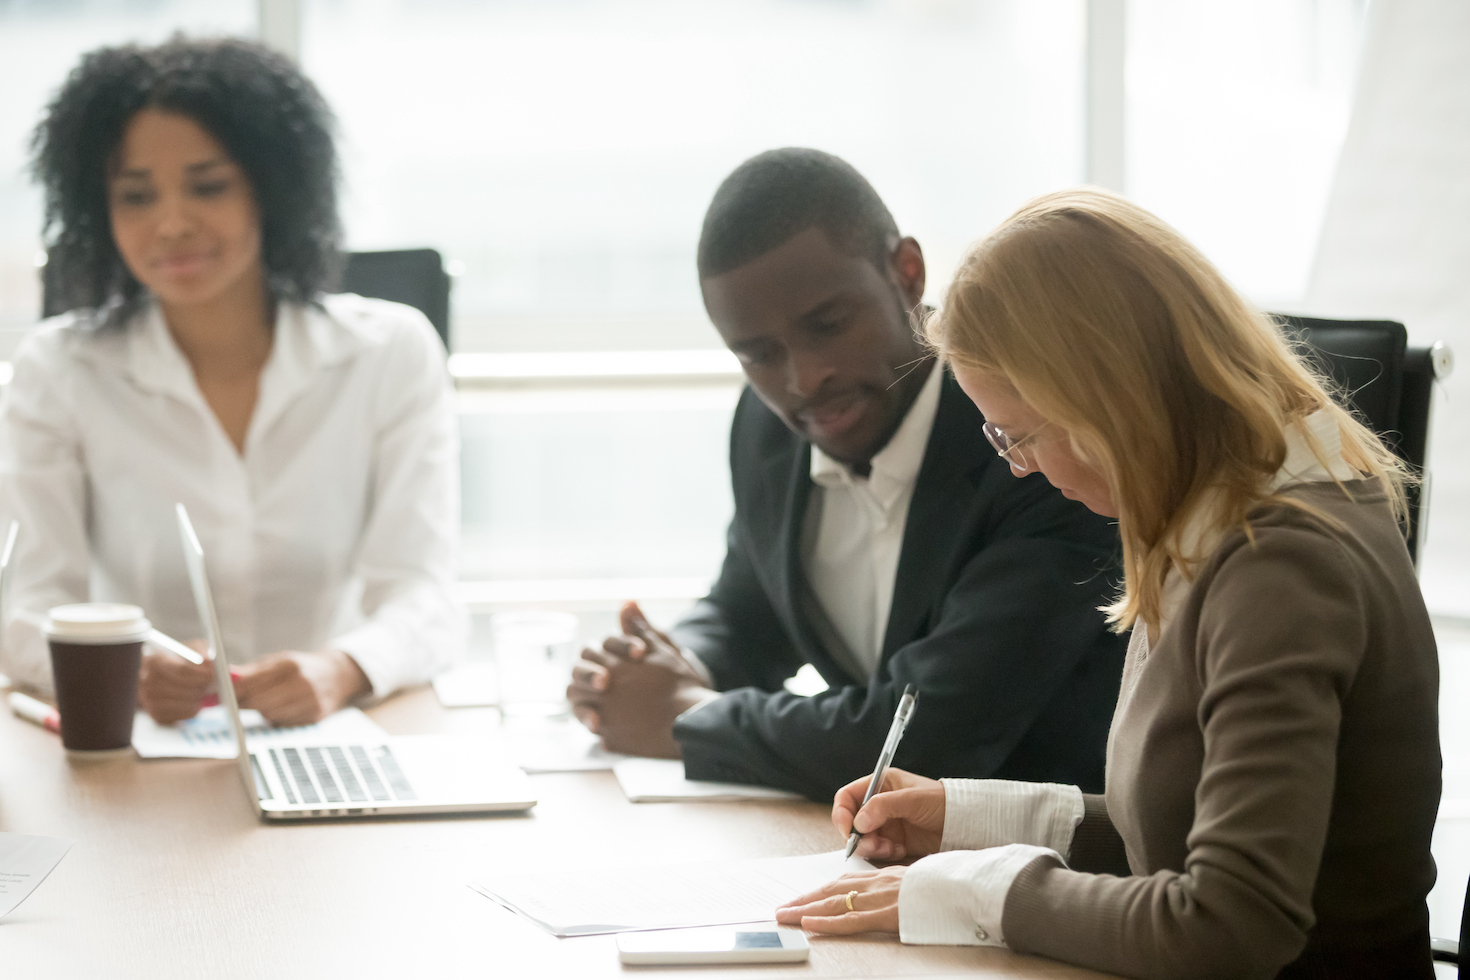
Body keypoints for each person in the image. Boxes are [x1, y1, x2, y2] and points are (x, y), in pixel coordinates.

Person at [774, 188, 1440, 978]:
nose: (1023, 467)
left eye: (1020, 436)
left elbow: (1228, 923)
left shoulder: (1278, 567)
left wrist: (972, 895)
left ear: (1102, 402)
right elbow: (1175, 834)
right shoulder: (1222, 514)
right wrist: (966, 820)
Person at [567, 148, 1129, 801]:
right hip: (871, 850)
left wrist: (686, 717)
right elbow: (752, 609)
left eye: (828, 326)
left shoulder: (1033, 442)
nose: (803, 379)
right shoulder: (769, 428)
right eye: (759, 355)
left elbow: (927, 733)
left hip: (1060, 860)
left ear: (907, 274)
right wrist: (663, 667)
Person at [0, 37, 464, 726]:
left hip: (334, 735)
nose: (172, 223)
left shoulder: (390, 353)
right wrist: (126, 669)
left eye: (208, 186)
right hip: (142, 756)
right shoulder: (56, 371)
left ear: (271, 190)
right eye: (135, 196)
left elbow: (427, 598)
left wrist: (340, 669)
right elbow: (25, 612)